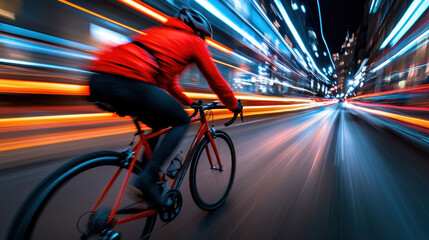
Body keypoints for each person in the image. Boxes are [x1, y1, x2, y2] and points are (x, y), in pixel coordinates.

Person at [88, 7, 242, 207]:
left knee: (158, 123)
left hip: (98, 81)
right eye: (203, 36)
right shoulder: (194, 42)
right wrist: (233, 104)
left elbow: (170, 84)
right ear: (197, 32)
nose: (203, 41)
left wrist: (189, 102)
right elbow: (215, 79)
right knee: (181, 120)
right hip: (131, 80)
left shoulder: (159, 34)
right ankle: (146, 178)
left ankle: (146, 175)